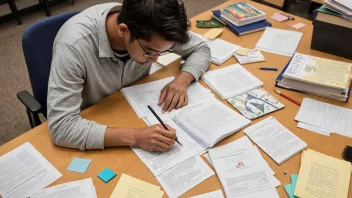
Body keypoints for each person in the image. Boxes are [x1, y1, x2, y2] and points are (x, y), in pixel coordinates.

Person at [47, 0, 211, 152]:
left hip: (133, 107)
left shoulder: (155, 26)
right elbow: (61, 127)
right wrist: (136, 137)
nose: (155, 59)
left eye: (164, 52)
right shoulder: (73, 46)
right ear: (123, 30)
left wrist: (182, 80)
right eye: (149, 52)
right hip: (93, 117)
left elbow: (201, 48)